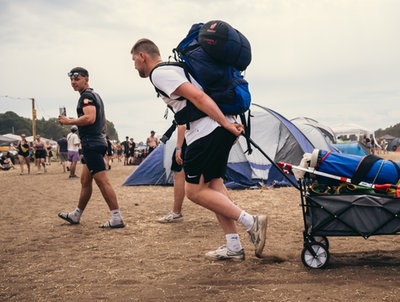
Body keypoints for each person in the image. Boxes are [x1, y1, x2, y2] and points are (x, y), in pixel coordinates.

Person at [131, 38, 267, 260]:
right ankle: (233, 247)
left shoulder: (159, 74)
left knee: (194, 191)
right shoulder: (176, 68)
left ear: (142, 56)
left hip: (207, 131)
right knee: (214, 186)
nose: (134, 65)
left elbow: (198, 97)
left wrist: (225, 123)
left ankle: (252, 222)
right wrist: (226, 122)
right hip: (214, 127)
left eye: (134, 59)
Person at [57, 67, 125, 229]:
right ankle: (77, 214)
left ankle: (116, 217)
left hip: (92, 144)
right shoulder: (94, 95)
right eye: (72, 80)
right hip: (96, 142)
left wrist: (68, 121)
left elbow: (90, 118)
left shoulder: (87, 96)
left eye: (77, 79)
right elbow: (103, 121)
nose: (73, 82)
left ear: (86, 79)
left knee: (102, 181)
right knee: (85, 181)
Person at [158, 125, 187, 223]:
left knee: (179, 173)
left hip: (189, 138)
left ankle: (176, 213)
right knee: (213, 179)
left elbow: (182, 123)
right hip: (205, 136)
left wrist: (179, 147)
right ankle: (231, 207)